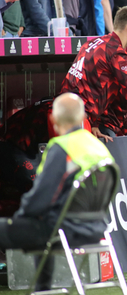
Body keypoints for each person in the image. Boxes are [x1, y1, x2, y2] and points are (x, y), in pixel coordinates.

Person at [0, 93, 114, 291]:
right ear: (83, 118)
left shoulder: (60, 147)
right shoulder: (99, 147)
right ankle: (43, 288)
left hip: (63, 230)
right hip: (95, 228)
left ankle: (43, 286)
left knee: (25, 227)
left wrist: (20, 217)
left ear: (53, 119)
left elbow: (40, 199)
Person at [60, 6, 127, 140]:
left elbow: (100, 91)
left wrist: (96, 123)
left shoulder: (92, 43)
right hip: (77, 119)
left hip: (66, 112)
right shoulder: (116, 53)